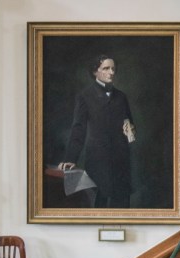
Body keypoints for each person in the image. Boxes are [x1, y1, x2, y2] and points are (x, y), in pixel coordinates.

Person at [58, 55, 136, 208]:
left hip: (121, 160)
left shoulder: (121, 97)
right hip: (97, 161)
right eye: (106, 68)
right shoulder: (85, 96)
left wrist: (131, 129)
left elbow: (129, 123)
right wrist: (71, 158)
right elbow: (78, 129)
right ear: (95, 71)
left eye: (113, 68)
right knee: (98, 204)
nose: (111, 72)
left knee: (122, 206)